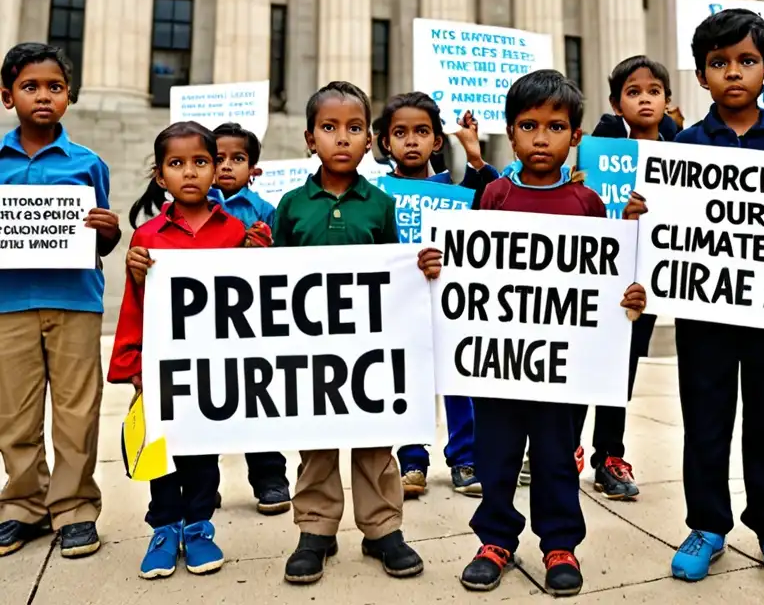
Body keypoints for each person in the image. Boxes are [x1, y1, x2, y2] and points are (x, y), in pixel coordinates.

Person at [425, 69, 647, 597]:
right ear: (512, 131)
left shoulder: (587, 203)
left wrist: (629, 295)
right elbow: (472, 265)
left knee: (554, 459)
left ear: (575, 136)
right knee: (497, 456)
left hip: (562, 371)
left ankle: (560, 544)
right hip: (499, 366)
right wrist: (439, 266)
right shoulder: (496, 194)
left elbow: (604, 276)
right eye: (528, 126)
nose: (540, 137)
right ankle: (495, 539)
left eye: (555, 126)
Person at [627, 9, 764, 591]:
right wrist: (642, 218)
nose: (733, 72)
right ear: (703, 76)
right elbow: (668, 231)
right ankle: (707, 525)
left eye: (746, 61)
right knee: (705, 422)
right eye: (719, 63)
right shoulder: (684, 146)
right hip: (705, 315)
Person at [274, 81, 424, 585]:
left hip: (368, 349)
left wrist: (418, 269)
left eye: (354, 128)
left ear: (370, 141)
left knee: (375, 441)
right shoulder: (291, 206)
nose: (342, 137)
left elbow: (393, 271)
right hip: (311, 350)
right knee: (315, 441)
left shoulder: (380, 205)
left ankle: (383, 528)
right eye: (330, 128)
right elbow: (272, 280)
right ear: (309, 138)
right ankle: (315, 529)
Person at [109, 121, 260, 579]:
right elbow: (134, 305)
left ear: (217, 169)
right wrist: (133, 365)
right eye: (177, 164)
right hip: (160, 366)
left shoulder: (235, 231)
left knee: (203, 451)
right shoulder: (148, 236)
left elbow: (249, 302)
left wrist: (260, 260)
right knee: (161, 450)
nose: (190, 172)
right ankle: (164, 528)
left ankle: (198, 526)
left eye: (201, 162)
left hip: (213, 366)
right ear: (160, 176)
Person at [0, 43, 121, 560]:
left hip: (75, 300)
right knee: (14, 413)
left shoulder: (87, 163)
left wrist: (108, 231)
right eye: (30, 87)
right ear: (8, 96)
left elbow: (102, 240)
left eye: (54, 87)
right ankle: (23, 506)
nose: (43, 97)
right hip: (8, 304)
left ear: (70, 97)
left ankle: (74, 509)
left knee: (76, 409)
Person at [373, 92, 499, 498]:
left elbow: (497, 201)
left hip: (452, 306)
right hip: (400, 308)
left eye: (422, 132)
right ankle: (412, 461)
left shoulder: (460, 189)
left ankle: (465, 458)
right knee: (409, 384)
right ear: (385, 142)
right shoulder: (376, 195)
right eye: (401, 133)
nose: (411, 141)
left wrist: (477, 157)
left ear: (438, 142)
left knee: (459, 383)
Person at [573, 55, 674, 501]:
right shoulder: (601, 152)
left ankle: (609, 456)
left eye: (653, 91)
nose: (645, 99)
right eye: (634, 92)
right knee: (580, 367)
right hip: (597, 278)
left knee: (620, 372)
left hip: (644, 285)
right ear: (617, 104)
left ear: (668, 101)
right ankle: (564, 447)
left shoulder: (684, 153)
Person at [209, 122, 290, 515]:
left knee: (260, 401)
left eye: (237, 159)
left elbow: (282, 266)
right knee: (204, 402)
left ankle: (271, 478)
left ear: (254, 169)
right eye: (218, 158)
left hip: (253, 323)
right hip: (204, 325)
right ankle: (203, 484)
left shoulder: (264, 212)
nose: (226, 166)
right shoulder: (191, 206)